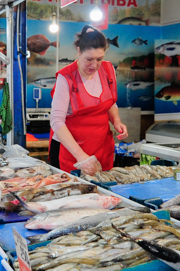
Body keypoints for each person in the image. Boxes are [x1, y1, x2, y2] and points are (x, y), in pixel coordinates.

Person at [50, 25, 128, 175]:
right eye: (89, 59)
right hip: (71, 152)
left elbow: (110, 102)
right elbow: (56, 120)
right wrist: (82, 158)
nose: (94, 65)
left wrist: (116, 121)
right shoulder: (66, 77)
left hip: (102, 149)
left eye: (99, 59)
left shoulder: (108, 70)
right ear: (79, 51)